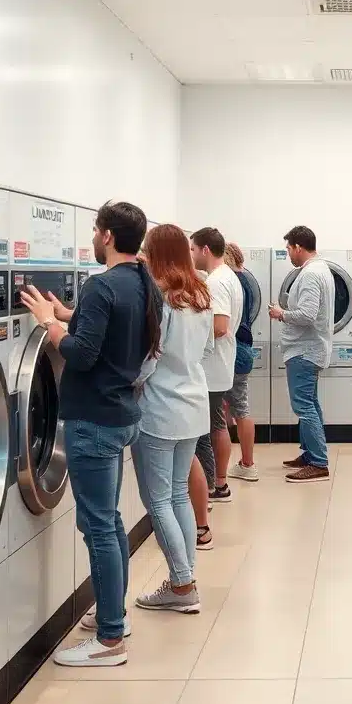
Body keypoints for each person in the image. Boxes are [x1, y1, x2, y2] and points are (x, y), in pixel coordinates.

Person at [21, 200, 162, 666]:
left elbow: (81, 354)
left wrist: (48, 324)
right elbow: (111, 334)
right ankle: (112, 613)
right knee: (109, 523)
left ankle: (108, 640)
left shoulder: (102, 285)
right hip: (122, 413)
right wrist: (65, 312)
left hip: (93, 420)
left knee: (98, 526)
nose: (92, 236)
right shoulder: (144, 283)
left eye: (94, 229)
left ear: (105, 236)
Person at [129, 224, 214, 614]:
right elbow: (208, 348)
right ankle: (184, 579)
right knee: (177, 492)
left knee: (158, 499)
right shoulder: (200, 294)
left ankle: (182, 584)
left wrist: (132, 384)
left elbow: (150, 358)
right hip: (194, 403)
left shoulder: (159, 297)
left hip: (161, 408)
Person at [268, 225, 334, 483]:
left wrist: (280, 313)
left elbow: (307, 315)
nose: (288, 255)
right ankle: (310, 454)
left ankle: (318, 462)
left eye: (288, 249)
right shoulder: (322, 269)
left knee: (304, 406)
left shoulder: (309, 274)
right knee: (311, 404)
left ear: (298, 246)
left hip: (304, 351)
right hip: (311, 348)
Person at [189, 228, 243, 505]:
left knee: (205, 432)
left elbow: (219, 327)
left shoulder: (217, 283)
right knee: (218, 425)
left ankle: (209, 486)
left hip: (212, 367)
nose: (192, 255)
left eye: (193, 250)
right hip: (221, 365)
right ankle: (219, 483)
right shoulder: (227, 277)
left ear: (205, 250)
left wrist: (189, 330)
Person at [222, 242, 259, 482]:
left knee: (231, 410)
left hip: (232, 349)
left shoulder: (226, 282)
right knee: (233, 408)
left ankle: (246, 465)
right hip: (244, 348)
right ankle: (245, 463)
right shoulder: (244, 281)